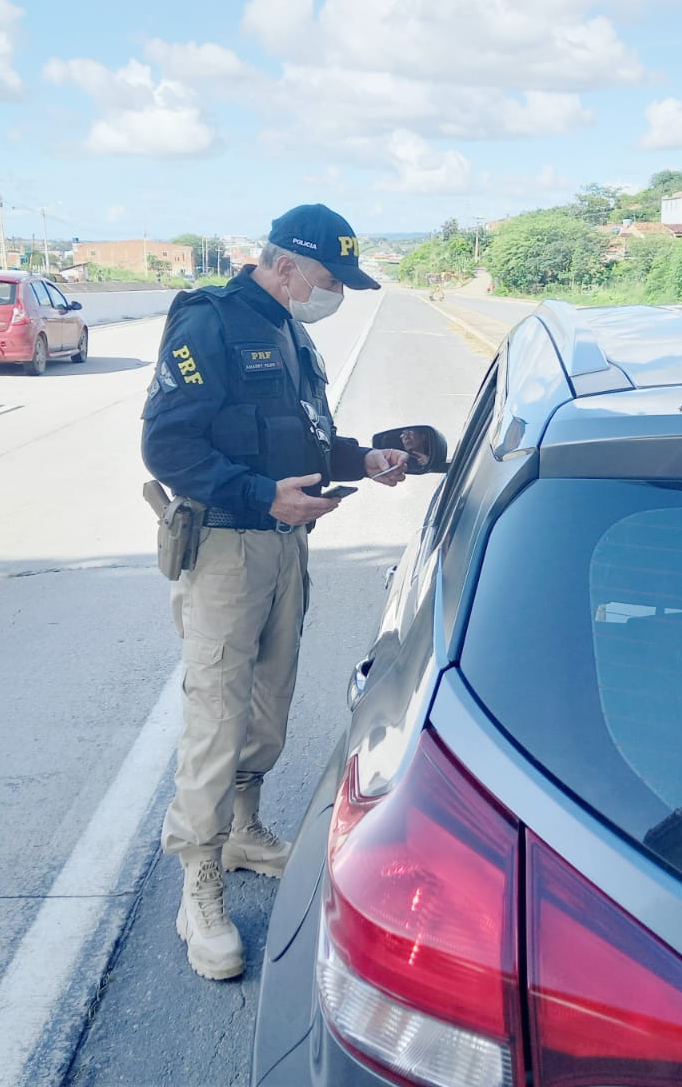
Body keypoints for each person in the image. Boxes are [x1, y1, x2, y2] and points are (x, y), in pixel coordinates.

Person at [140, 203, 409, 981]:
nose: (336, 295)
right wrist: (262, 495)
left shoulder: (292, 332)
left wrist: (365, 460)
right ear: (286, 265)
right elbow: (166, 444)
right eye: (330, 279)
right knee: (217, 711)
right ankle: (198, 881)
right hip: (226, 543)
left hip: (286, 542)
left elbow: (306, 436)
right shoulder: (212, 323)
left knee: (268, 702)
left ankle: (244, 829)